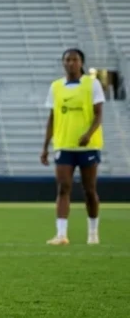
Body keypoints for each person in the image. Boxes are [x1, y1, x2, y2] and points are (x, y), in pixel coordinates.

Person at [40, 48, 104, 246]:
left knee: (89, 190)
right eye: (67, 60)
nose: (70, 63)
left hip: (88, 146)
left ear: (81, 62)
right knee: (63, 187)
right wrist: (45, 147)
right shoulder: (56, 86)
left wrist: (88, 135)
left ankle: (93, 233)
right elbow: (52, 118)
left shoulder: (92, 84)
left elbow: (98, 114)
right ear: (63, 63)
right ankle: (61, 235)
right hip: (64, 145)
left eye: (74, 59)